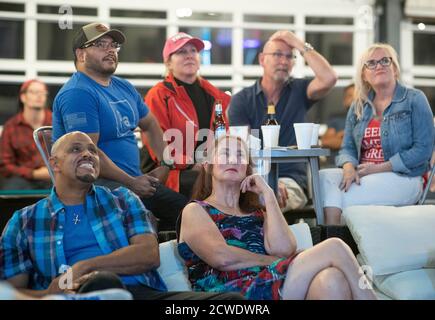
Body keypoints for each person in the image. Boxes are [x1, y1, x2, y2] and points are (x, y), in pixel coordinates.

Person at [0, 131, 243, 300]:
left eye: (92, 151)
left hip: (141, 294)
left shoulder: (123, 200)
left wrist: (84, 266)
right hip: (72, 296)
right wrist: (47, 295)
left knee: (231, 303)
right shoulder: (25, 221)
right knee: (101, 284)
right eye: (76, 149)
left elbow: (149, 255)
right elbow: (10, 291)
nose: (88, 154)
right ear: (54, 164)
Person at [177, 135, 376, 300]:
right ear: (207, 165)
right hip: (229, 294)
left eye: (240, 155)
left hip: (269, 283)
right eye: (225, 154)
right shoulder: (196, 210)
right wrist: (273, 261)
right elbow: (222, 258)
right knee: (334, 246)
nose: (233, 160)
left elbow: (284, 249)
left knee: (332, 280)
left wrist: (269, 196)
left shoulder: (256, 213)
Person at [52, 22, 188, 231]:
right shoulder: (78, 93)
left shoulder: (123, 86)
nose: (110, 50)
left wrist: (165, 164)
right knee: (152, 223)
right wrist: (133, 183)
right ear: (81, 55)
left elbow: (150, 124)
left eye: (113, 45)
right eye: (100, 44)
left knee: (192, 213)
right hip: (96, 188)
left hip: (132, 184)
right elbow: (87, 153)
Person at [319, 43, 434, 225]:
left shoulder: (414, 99)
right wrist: (348, 166)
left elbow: (423, 150)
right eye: (371, 63)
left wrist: (380, 168)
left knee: (339, 197)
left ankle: (332, 241)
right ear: (364, 75)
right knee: (324, 178)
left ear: (394, 69)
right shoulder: (358, 106)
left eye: (384, 61)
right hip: (364, 175)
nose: (379, 65)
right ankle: (335, 240)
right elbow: (347, 147)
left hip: (405, 178)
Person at [228, 30, 337, 211]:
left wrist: (298, 43)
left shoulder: (299, 91)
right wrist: (262, 182)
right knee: (250, 197)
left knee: (270, 199)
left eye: (290, 56)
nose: (284, 61)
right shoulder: (242, 100)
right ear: (262, 59)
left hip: (291, 181)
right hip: (252, 177)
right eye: (278, 54)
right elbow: (241, 149)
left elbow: (329, 78)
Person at [143, 32, 230, 198]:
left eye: (193, 51)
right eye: (182, 52)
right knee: (211, 184)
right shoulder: (159, 95)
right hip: (169, 172)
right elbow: (159, 148)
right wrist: (192, 163)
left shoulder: (215, 96)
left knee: (242, 181)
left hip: (205, 168)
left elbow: (223, 139)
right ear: (168, 62)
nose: (189, 56)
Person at [0, 79, 52, 190]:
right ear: (23, 97)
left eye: (43, 93)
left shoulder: (57, 122)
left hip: (55, 176)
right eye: (34, 92)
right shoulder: (11, 126)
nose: (39, 96)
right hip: (24, 179)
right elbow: (4, 164)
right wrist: (33, 173)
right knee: (11, 189)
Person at [321, 83, 355, 151]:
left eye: (358, 96)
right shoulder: (336, 119)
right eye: (350, 96)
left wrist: (343, 136)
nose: (354, 99)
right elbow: (325, 142)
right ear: (344, 101)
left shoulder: (370, 119)